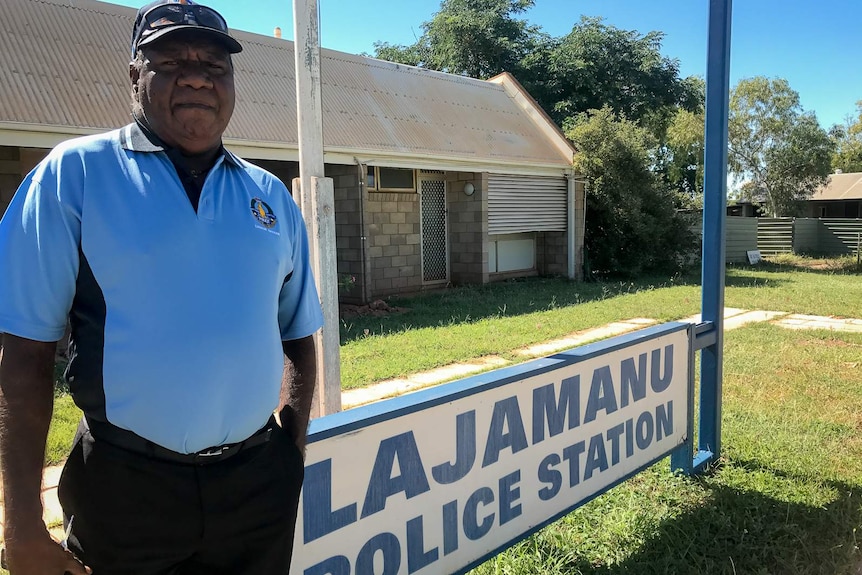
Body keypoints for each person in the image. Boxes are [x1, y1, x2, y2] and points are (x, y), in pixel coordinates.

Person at [0, 1, 324, 573]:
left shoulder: (270, 196)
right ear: (134, 75)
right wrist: (21, 525)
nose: (197, 75)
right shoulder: (72, 175)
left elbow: (298, 335)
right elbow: (23, 357)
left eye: (214, 64)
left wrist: (288, 455)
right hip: (126, 490)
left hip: (256, 489)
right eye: (171, 60)